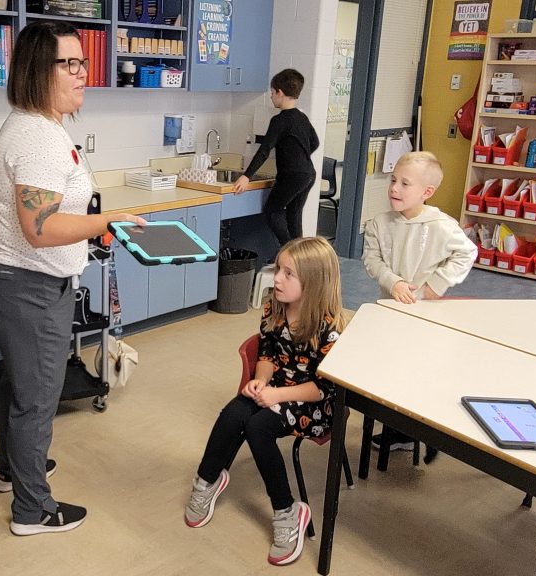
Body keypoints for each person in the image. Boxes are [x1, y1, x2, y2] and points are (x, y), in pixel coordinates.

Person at [0, 20, 145, 536]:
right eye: (69, 64)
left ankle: (12, 469)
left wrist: (92, 229)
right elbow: (41, 228)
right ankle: (33, 510)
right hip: (29, 286)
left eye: (82, 62)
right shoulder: (39, 137)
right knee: (38, 397)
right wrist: (105, 223)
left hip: (19, 282)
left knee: (20, 383)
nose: (82, 74)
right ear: (37, 70)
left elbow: (49, 218)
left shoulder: (41, 126)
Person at [185, 236, 346, 566]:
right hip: (278, 388)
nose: (277, 279)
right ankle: (207, 480)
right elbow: (268, 353)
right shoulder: (275, 306)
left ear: (313, 283)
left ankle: (287, 512)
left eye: (289, 274)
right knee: (233, 413)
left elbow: (322, 389)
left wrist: (275, 394)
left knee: (258, 427)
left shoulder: (328, 329)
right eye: (278, 270)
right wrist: (260, 381)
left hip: (313, 406)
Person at [362, 151, 477, 454]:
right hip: (390, 313)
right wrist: (394, 282)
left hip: (426, 316)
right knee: (390, 370)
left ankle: (422, 429)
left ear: (427, 192)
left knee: (419, 373)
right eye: (393, 180)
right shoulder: (378, 223)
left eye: (405, 183)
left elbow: (467, 253)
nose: (394, 188)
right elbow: (372, 261)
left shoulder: (442, 225)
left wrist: (437, 285)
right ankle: (397, 429)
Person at [233, 69, 319, 249]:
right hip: (308, 173)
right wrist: (300, 156)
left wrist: (246, 176)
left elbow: (264, 150)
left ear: (280, 92)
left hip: (292, 175)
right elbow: (315, 142)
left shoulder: (279, 121)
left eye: (272, 93)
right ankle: (300, 258)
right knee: (294, 215)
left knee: (273, 211)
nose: (271, 97)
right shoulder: (301, 117)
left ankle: (288, 251)